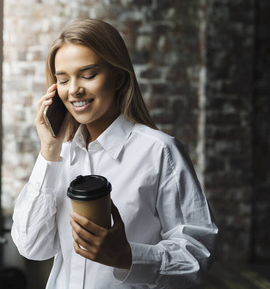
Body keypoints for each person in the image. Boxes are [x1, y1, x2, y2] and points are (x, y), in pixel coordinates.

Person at [11, 18, 218, 288]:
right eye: (63, 80)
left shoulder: (160, 152)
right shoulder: (58, 158)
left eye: (88, 75)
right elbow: (31, 247)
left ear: (119, 77)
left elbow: (198, 258)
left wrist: (128, 257)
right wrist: (49, 151)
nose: (74, 90)